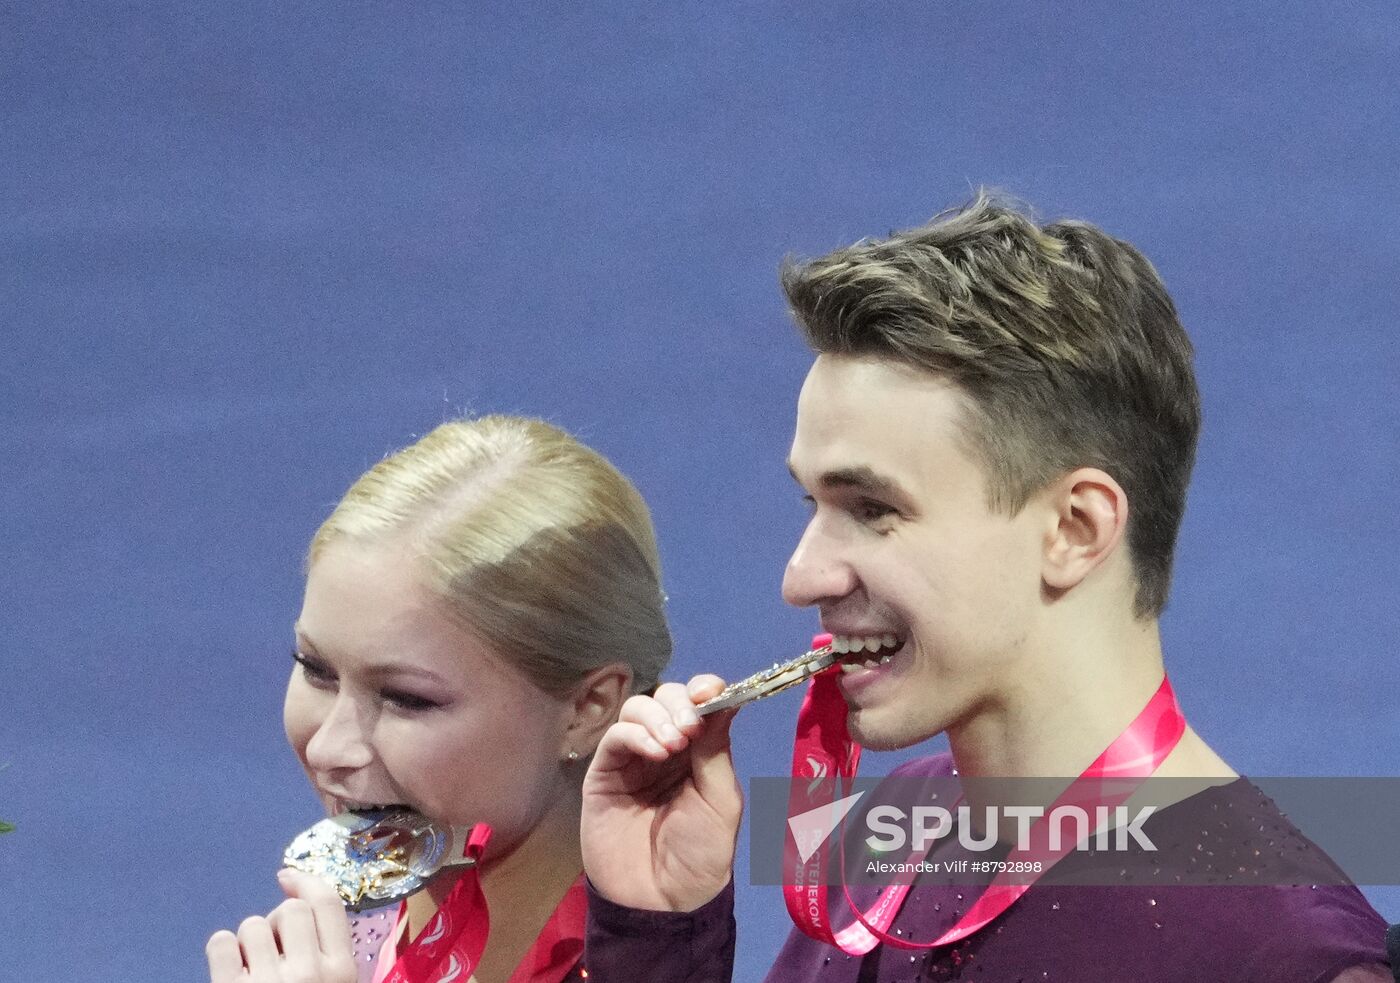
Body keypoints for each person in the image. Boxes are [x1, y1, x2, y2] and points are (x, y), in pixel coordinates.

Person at [579, 194, 1391, 981]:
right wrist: (659, 933)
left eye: (873, 508)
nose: (801, 577)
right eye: (813, 502)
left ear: (1074, 529)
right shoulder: (893, 837)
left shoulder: (1289, 958)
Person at [206, 415, 673, 983]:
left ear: (588, 707)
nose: (328, 748)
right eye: (316, 669)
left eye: (407, 699)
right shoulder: (342, 949)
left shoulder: (656, 964)